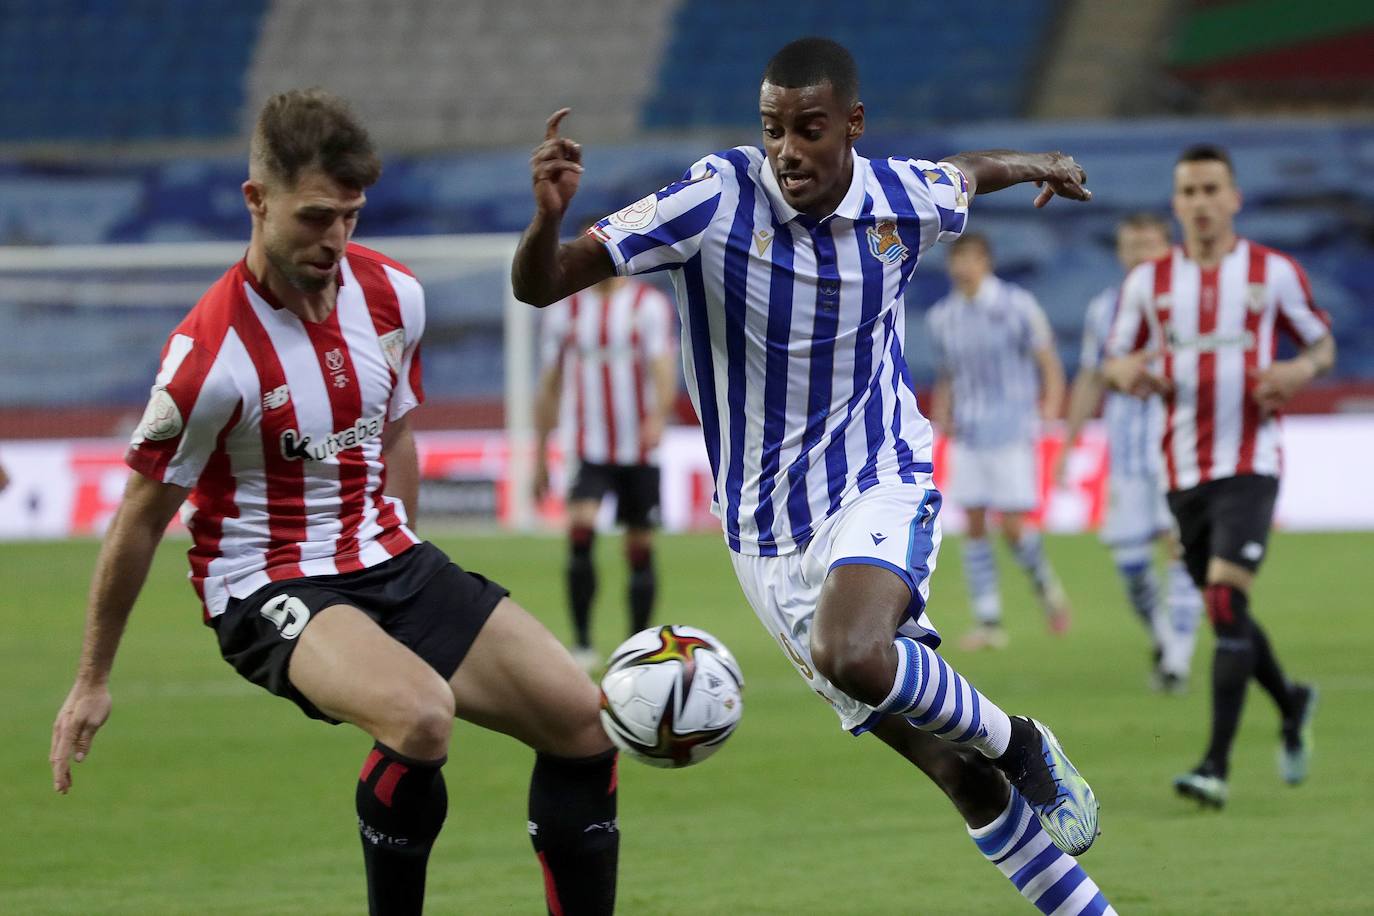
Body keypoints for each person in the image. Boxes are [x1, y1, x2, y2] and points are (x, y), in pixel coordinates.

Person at [514, 38, 1115, 914]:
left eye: (808, 128)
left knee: (856, 652)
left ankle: (1022, 741)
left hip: (879, 476)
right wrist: (546, 219)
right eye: (772, 129)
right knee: (952, 769)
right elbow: (544, 285)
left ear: (852, 127)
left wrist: (1038, 163)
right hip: (762, 536)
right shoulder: (713, 198)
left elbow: (963, 174)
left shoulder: (897, 200)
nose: (787, 149)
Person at [49, 89, 620, 916]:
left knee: (583, 722)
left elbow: (394, 439)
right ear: (257, 201)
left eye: (350, 216)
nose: (336, 239)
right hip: (266, 582)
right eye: (315, 217)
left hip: (388, 558)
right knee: (423, 717)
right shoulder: (209, 357)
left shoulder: (393, 296)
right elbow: (140, 518)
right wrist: (91, 680)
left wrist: (412, 569)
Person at [1103, 143, 1333, 809]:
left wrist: (1297, 370)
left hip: (1251, 461)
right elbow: (1114, 360)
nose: (1201, 203)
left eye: (1212, 190)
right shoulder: (1149, 284)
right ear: (1177, 205)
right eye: (1189, 192)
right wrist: (1130, 374)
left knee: (1226, 602)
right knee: (1222, 605)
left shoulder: (1272, 272)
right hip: (1181, 467)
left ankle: (1214, 767)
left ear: (1234, 198)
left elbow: (1320, 341)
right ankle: (1292, 703)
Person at [1055, 213, 1203, 690]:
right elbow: (1091, 379)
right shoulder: (1104, 309)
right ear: (1120, 254)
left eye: (1149, 246)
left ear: (1168, 249)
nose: (1140, 256)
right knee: (1131, 563)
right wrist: (1068, 444)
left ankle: (1178, 659)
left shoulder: (1191, 302)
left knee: (1181, 548)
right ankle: (1163, 636)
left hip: (1183, 445)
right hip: (1128, 455)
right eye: (1131, 247)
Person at [925, 233, 1071, 650]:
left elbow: (1048, 361)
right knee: (971, 522)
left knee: (1011, 526)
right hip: (967, 434)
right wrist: (944, 415)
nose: (963, 268)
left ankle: (1046, 587)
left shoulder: (1017, 306)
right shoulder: (943, 317)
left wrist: (1051, 407)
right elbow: (947, 374)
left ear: (986, 262)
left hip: (1011, 430)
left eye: (970, 259)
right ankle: (988, 621)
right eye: (957, 260)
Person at [532, 255, 678, 670]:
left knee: (639, 544)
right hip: (587, 446)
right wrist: (542, 453)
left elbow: (664, 368)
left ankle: (637, 646)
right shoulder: (567, 312)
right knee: (580, 529)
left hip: (638, 448)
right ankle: (581, 643)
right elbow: (549, 384)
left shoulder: (646, 305)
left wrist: (657, 417)